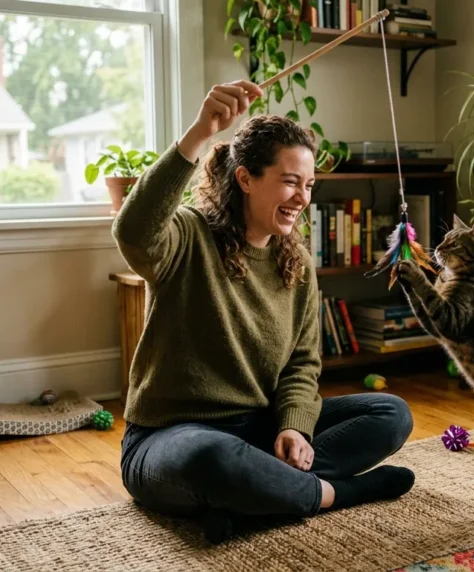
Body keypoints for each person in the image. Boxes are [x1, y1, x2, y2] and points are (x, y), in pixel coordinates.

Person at [113, 80, 416, 541]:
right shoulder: (187, 236)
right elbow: (134, 231)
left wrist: (296, 428)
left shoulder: (295, 264)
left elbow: (301, 364)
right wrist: (199, 132)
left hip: (260, 430)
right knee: (210, 458)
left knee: (390, 414)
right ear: (246, 178)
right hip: (170, 439)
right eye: (290, 181)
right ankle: (339, 493)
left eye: (309, 184)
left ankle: (256, 496)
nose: (302, 198)